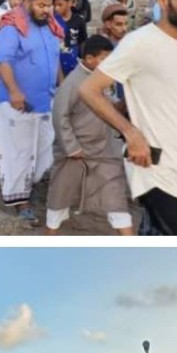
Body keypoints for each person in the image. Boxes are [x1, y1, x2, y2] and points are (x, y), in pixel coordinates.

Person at [79, 0, 177, 234]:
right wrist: (130, 132)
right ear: (163, 0)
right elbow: (90, 89)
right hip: (159, 172)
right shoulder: (140, 43)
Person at [45, 35, 131, 235]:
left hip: (104, 153)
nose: (109, 63)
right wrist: (72, 147)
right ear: (90, 59)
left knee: (117, 205)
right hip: (76, 155)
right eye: (105, 59)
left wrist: (127, 101)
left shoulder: (101, 81)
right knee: (58, 205)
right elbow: (60, 115)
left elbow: (109, 108)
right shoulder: (73, 83)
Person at [0, 0, 62, 224]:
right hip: (16, 103)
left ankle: (21, 182)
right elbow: (3, 61)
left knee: (45, 154)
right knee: (20, 153)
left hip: (45, 102)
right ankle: (21, 203)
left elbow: (55, 60)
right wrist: (14, 91)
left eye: (49, 5)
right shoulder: (12, 26)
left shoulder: (50, 27)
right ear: (27, 2)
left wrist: (62, 89)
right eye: (42, 5)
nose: (46, 10)